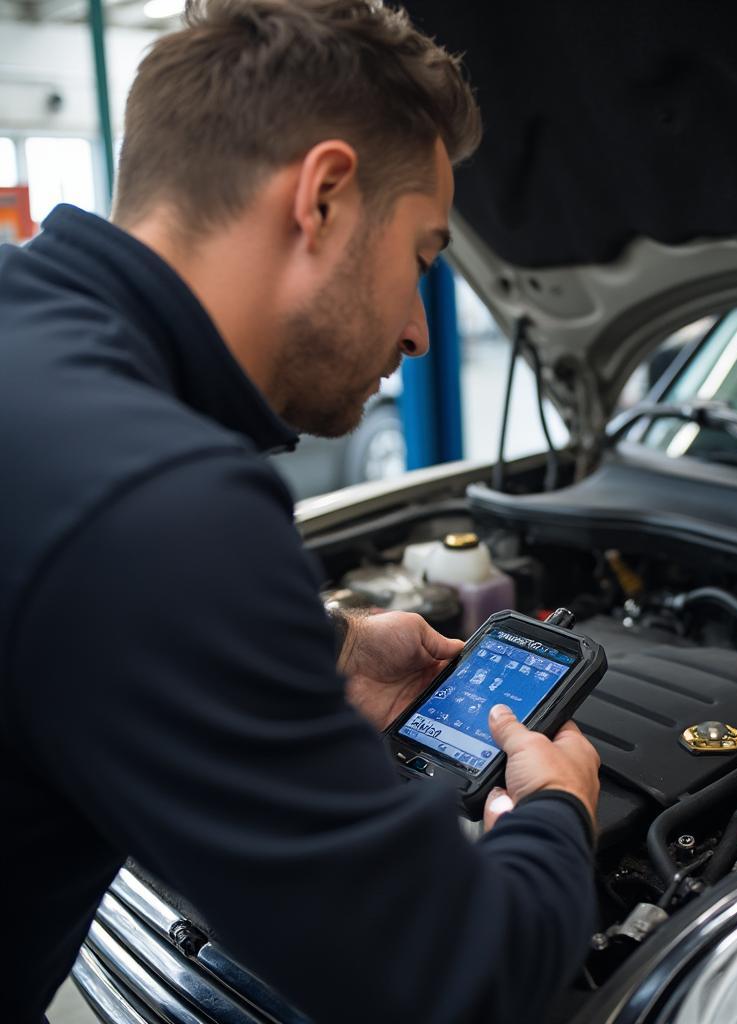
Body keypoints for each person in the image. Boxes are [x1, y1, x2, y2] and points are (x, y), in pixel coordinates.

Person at [0, 2, 602, 1021]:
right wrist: (555, 809)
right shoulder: (161, 498)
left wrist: (327, 652)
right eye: (420, 257)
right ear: (322, 196)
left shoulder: (37, 355)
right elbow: (456, 980)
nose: (419, 330)